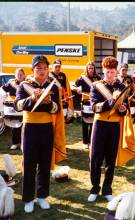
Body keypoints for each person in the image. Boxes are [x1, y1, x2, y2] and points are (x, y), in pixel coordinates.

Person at [14, 55, 60, 213]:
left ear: (48, 70)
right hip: (30, 128)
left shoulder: (52, 86)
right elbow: (18, 105)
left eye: (45, 68)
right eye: (38, 68)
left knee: (45, 163)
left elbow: (57, 109)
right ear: (33, 69)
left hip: (46, 128)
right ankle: (28, 198)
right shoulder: (24, 85)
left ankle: (42, 196)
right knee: (29, 164)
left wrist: (49, 103)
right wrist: (32, 99)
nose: (42, 71)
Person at [88, 56, 128, 202]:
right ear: (103, 71)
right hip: (100, 125)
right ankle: (94, 188)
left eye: (112, 72)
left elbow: (126, 110)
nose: (110, 75)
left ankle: (107, 189)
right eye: (107, 72)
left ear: (116, 72)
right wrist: (111, 101)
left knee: (111, 159)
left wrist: (123, 109)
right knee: (95, 158)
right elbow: (94, 107)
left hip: (114, 126)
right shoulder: (96, 85)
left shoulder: (122, 87)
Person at [49, 59, 73, 169]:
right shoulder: (49, 76)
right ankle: (52, 146)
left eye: (59, 66)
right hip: (53, 105)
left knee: (61, 126)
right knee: (52, 126)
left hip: (63, 105)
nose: (57, 68)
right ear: (52, 66)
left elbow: (66, 89)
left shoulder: (63, 75)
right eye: (56, 66)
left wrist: (67, 98)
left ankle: (60, 145)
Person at [73, 61, 101, 148]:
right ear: (87, 69)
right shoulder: (82, 78)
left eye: (92, 68)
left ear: (94, 69)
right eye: (89, 68)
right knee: (85, 122)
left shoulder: (98, 78)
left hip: (94, 102)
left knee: (93, 122)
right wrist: (77, 89)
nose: (91, 70)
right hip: (85, 101)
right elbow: (74, 85)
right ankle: (85, 142)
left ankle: (91, 141)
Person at [1, 68, 25, 150]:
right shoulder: (11, 83)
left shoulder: (27, 84)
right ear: (15, 75)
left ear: (24, 75)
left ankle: (22, 143)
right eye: (18, 74)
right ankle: (15, 143)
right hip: (13, 109)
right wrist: (5, 97)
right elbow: (2, 90)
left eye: (21, 74)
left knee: (23, 126)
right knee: (14, 127)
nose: (19, 76)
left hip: (23, 108)